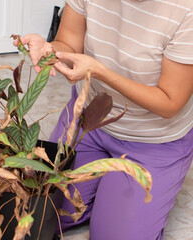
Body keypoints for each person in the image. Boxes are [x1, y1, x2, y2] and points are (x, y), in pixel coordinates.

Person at [15, 1, 193, 239]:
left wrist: (101, 72)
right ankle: (105, 192)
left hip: (151, 141)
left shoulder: (186, 10)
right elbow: (69, 43)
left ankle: (116, 196)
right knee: (33, 215)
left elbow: (170, 102)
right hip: (88, 120)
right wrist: (50, 50)